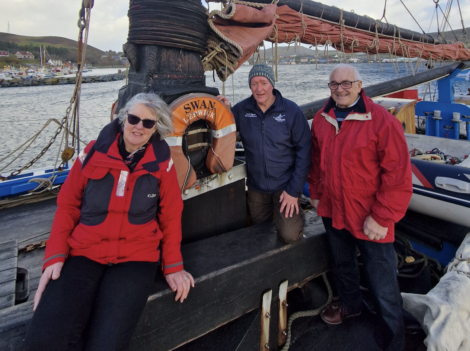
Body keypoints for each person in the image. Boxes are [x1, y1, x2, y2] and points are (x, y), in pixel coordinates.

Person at [25, 93, 195, 351]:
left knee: (107, 344)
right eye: (134, 118)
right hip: (85, 252)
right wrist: (55, 255)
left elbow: (170, 215)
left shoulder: (162, 164)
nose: (139, 126)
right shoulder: (92, 153)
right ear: (123, 118)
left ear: (156, 129)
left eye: (148, 123)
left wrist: (173, 265)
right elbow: (68, 206)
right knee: (44, 337)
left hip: (135, 258)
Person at [308, 64, 412, 351]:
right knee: (342, 265)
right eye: (334, 85)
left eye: (346, 83)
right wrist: (316, 194)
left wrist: (380, 217)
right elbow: (316, 163)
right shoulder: (321, 119)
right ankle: (350, 306)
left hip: (369, 215)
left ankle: (394, 340)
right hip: (333, 209)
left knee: (383, 282)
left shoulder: (381, 122)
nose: (339, 89)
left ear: (359, 85)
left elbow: (398, 176)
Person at [218, 63, 311, 243]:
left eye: (264, 83)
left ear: (272, 84)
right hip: (256, 187)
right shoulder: (242, 110)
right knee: (260, 233)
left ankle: (297, 217)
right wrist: (224, 109)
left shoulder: (291, 111)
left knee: (289, 235)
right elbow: (224, 125)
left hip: (285, 185)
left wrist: (293, 191)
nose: (259, 89)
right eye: (254, 83)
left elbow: (305, 153)